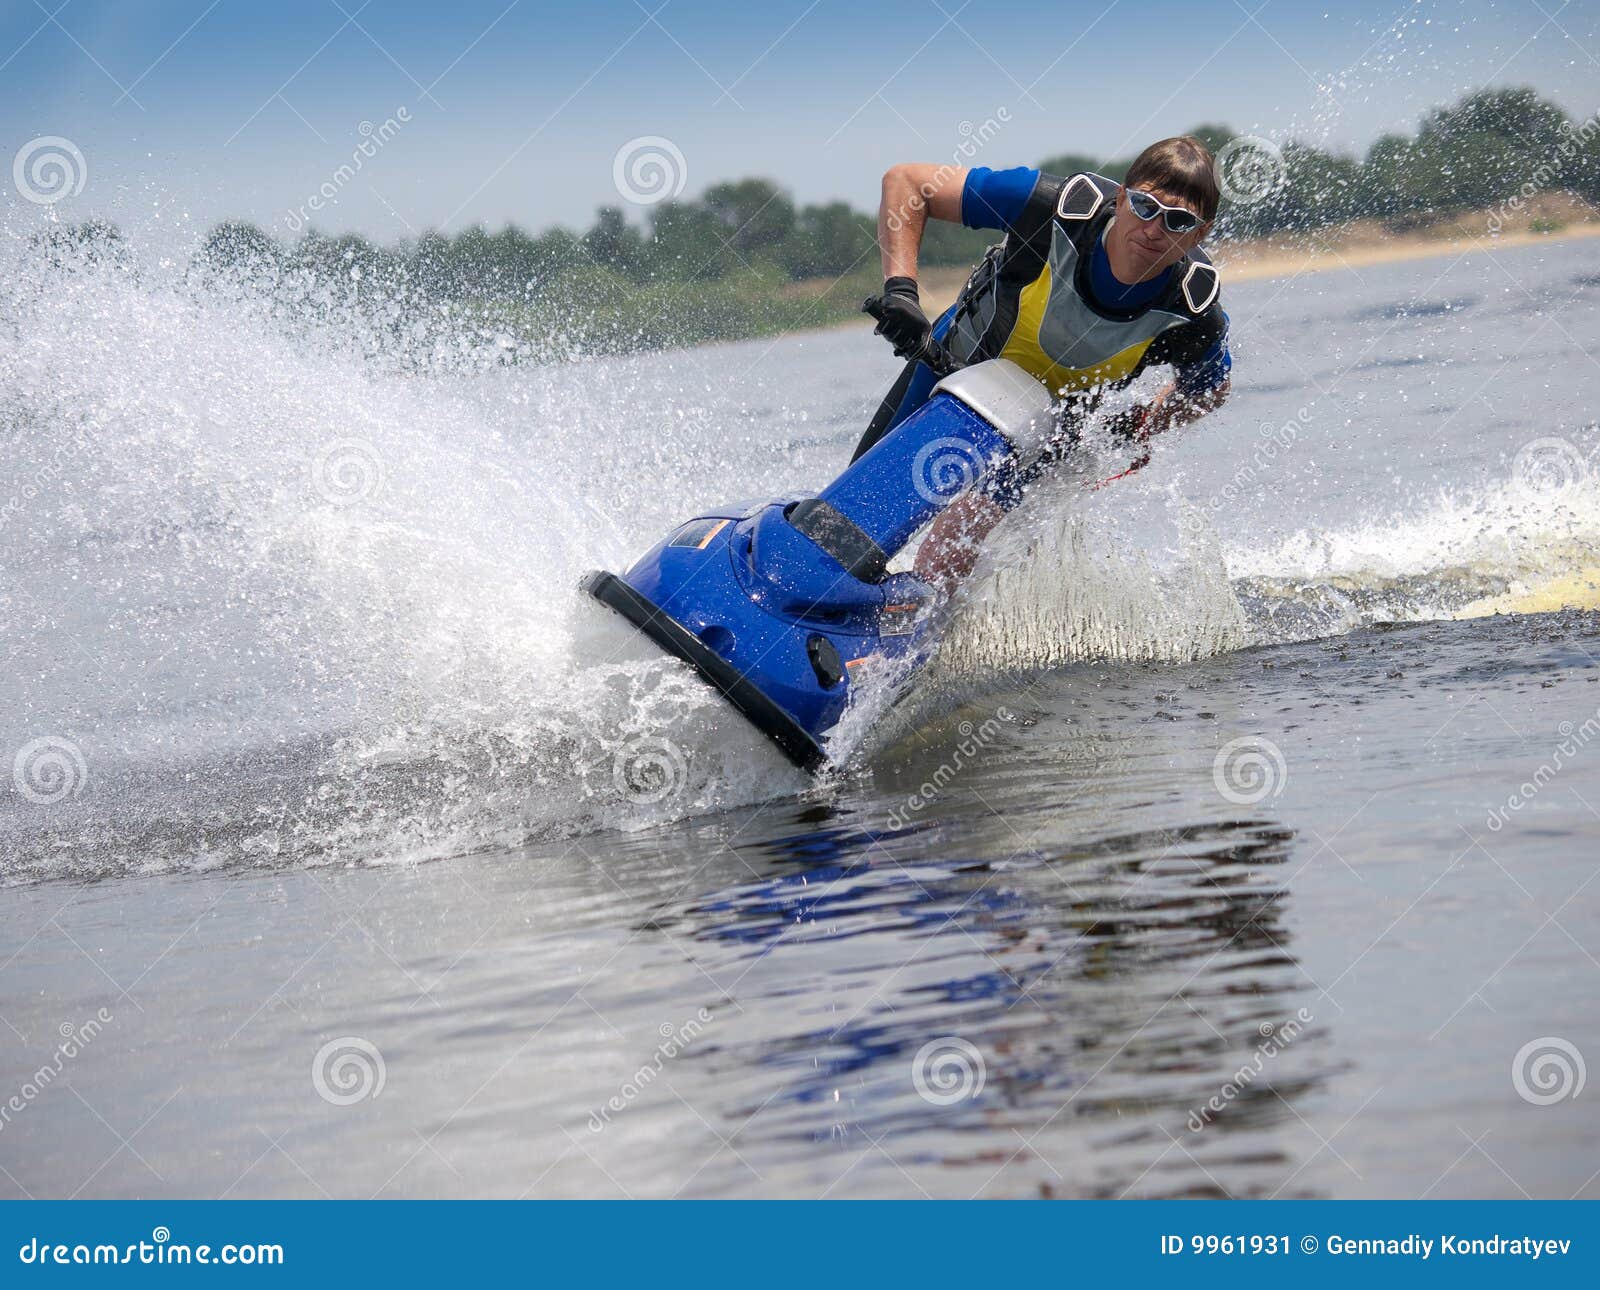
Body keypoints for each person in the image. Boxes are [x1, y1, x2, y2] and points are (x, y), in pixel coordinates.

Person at [860, 136, 1233, 593]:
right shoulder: (1052, 207)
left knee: (951, 550)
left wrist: (1144, 423)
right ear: (1121, 199)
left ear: (1199, 234)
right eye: (1144, 206)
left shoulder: (1191, 311)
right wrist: (901, 291)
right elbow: (907, 182)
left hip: (1043, 436)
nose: (1154, 229)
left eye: (1178, 221)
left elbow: (1210, 390)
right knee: (865, 513)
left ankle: (918, 610)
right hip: (950, 371)